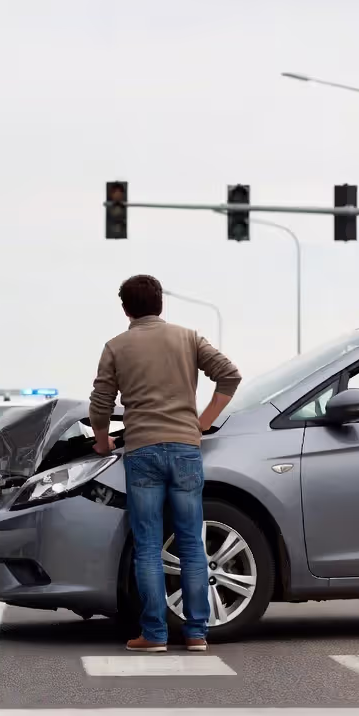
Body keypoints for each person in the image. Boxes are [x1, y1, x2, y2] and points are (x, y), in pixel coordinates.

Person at [88, 275, 241, 653]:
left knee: (148, 545)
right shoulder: (189, 338)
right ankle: (196, 633)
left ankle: (154, 634)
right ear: (160, 304)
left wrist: (104, 439)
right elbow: (229, 375)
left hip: (142, 452)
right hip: (187, 449)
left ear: (126, 308)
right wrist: (201, 423)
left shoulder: (116, 346)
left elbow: (101, 401)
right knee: (191, 541)